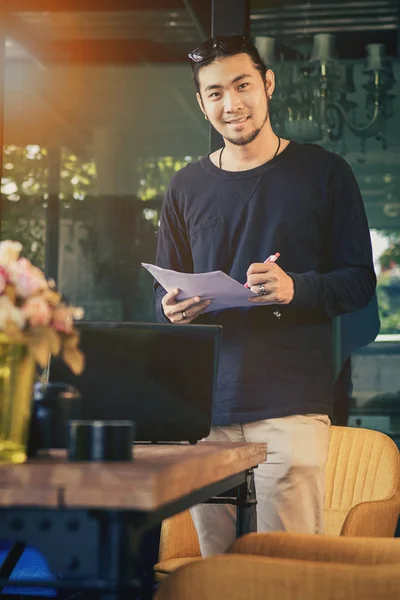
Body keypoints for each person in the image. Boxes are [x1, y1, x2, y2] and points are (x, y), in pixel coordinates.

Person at [153, 34, 376, 556]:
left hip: (290, 406)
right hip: (204, 412)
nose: (231, 104)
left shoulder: (325, 172)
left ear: (268, 84)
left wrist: (295, 288)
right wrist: (170, 309)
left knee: (287, 569)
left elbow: (360, 282)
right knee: (218, 570)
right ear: (201, 104)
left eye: (242, 85)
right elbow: (163, 295)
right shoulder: (185, 186)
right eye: (214, 93)